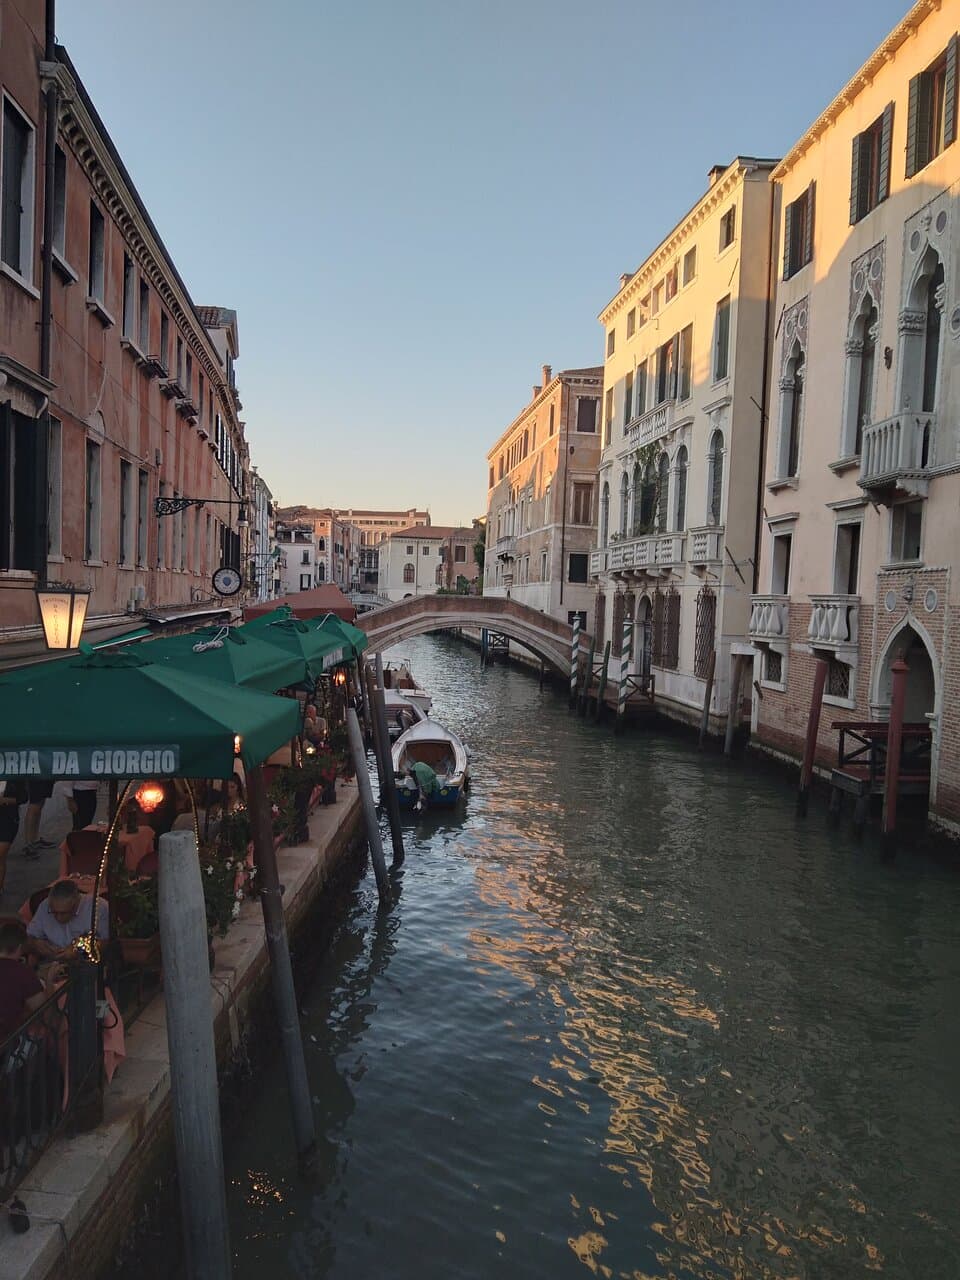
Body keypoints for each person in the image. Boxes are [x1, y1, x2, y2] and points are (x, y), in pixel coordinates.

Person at [26, 880, 109, 961]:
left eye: (64, 913)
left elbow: (107, 943)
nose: (58, 918)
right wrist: (35, 943)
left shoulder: (99, 907)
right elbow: (28, 938)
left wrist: (78, 950)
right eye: (54, 912)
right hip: (51, 962)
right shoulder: (45, 906)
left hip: (87, 962)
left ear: (77, 903)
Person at [0, 921, 47, 1042]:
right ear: (20, 947)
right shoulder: (23, 973)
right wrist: (50, 980)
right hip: (8, 1044)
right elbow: (44, 1009)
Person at [0, 780, 26, 898]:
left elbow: (24, 797)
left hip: (8, 819)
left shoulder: (14, 776)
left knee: (1, 855)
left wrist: (5, 800)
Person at [21, 780, 57, 859]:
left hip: (44, 777)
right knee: (34, 805)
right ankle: (28, 844)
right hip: (36, 777)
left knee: (39, 804)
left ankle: (34, 840)